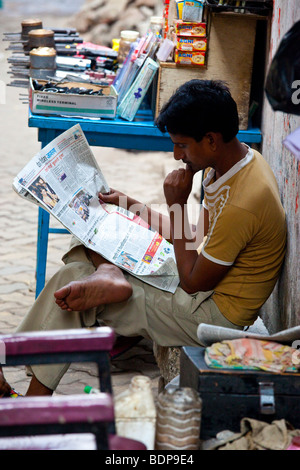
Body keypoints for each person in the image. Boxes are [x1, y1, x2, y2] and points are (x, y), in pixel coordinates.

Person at [9, 79, 286, 397]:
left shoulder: (245, 202)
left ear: (210, 140)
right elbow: (194, 237)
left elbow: (194, 280)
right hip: (199, 287)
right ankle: (108, 272)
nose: (175, 155)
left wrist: (178, 205)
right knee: (94, 228)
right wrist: (127, 203)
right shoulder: (228, 165)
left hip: (213, 317)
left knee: (75, 283)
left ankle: (29, 399)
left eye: (181, 145)